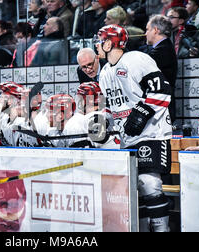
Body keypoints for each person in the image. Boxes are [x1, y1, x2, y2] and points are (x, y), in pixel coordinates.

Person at [96, 24, 172, 232]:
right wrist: (103, 123)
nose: (97, 44)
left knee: (149, 183)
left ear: (109, 43)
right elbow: (108, 107)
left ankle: (162, 230)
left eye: (100, 40)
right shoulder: (104, 73)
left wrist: (140, 114)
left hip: (152, 132)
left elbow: (163, 91)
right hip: (126, 138)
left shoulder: (137, 59)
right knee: (131, 188)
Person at [63, 81, 120, 148]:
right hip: (100, 156)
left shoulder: (72, 120)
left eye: (80, 98)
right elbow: (112, 144)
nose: (78, 100)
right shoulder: (99, 115)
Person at [144, 14, 177, 125]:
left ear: (156, 30)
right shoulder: (163, 47)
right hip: (160, 109)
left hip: (161, 111)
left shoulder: (162, 50)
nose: (145, 33)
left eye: (148, 30)